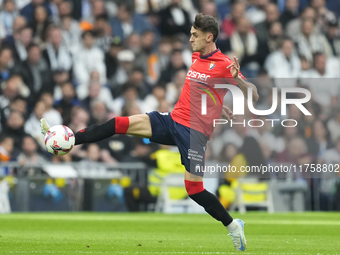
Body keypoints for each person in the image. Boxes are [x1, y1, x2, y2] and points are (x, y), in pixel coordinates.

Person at [41, 13, 259, 252]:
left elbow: (254, 96)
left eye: (194, 35)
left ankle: (233, 225)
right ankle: (71, 139)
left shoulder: (226, 65)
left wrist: (240, 81)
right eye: (190, 34)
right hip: (172, 120)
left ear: (209, 37)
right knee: (119, 123)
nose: (190, 39)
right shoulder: (197, 55)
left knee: (194, 190)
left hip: (194, 135)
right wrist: (218, 103)